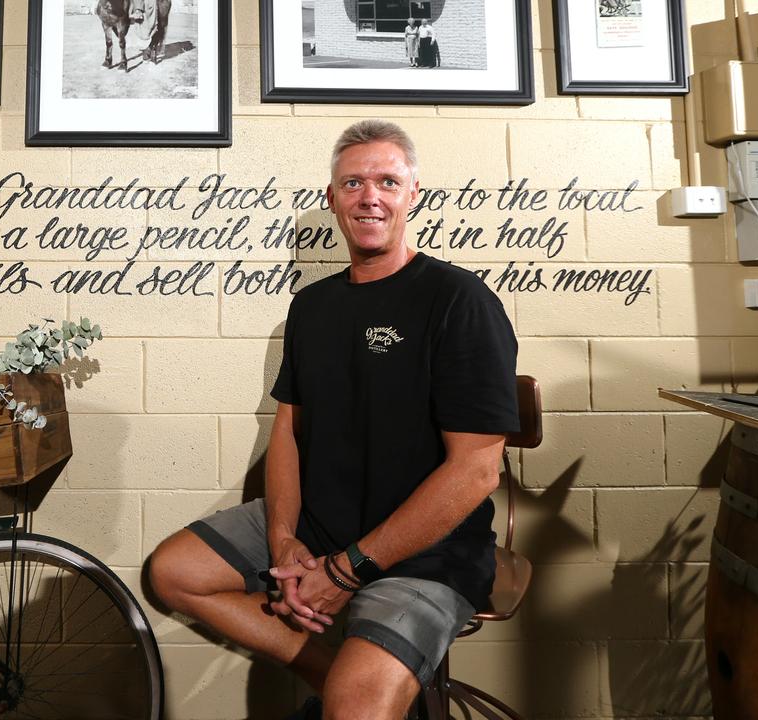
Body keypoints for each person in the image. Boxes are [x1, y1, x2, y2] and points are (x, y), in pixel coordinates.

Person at [148, 119, 519, 720]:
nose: (369, 196)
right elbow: (289, 432)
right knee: (173, 571)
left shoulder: (459, 300)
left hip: (428, 549)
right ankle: (338, 673)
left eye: (387, 182)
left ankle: (355, 689)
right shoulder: (311, 307)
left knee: (355, 707)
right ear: (332, 199)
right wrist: (285, 541)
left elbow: (475, 473)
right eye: (353, 182)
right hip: (321, 526)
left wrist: (345, 574)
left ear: (413, 195)